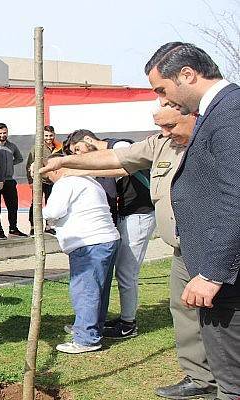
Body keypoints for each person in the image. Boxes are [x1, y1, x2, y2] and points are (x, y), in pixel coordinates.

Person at [40, 106, 216, 399]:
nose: (164, 133)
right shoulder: (158, 145)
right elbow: (118, 165)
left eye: (170, 125)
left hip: (195, 237)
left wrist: (66, 165)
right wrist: (67, 163)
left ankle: (125, 325)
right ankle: (199, 375)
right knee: (180, 308)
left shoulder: (203, 140)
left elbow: (118, 158)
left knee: (126, 276)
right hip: (173, 242)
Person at [145, 41, 240, 400]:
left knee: (233, 383)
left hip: (225, 278)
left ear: (187, 75)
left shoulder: (230, 112)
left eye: (162, 89)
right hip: (219, 273)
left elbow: (236, 196)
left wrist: (212, 273)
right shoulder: (219, 111)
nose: (162, 99)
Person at [63, 129, 156, 340]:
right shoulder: (109, 152)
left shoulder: (120, 146)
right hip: (127, 213)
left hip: (139, 214)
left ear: (88, 140)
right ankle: (124, 318)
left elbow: (124, 169)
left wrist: (79, 171)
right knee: (121, 272)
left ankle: (128, 324)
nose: (80, 156)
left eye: (78, 150)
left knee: (126, 272)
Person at [41, 153, 120, 354]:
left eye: (47, 174)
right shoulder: (89, 180)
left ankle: (86, 338)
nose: (47, 178)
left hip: (89, 243)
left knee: (85, 290)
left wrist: (44, 215)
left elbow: (52, 212)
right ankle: (90, 327)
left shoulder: (65, 183)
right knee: (98, 289)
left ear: (56, 168)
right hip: (104, 239)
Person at [0, 123, 27, 237]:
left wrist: (9, 165)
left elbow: (19, 158)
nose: (2, 135)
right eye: (0, 133)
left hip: (9, 181)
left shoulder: (12, 146)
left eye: (4, 133)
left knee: (13, 206)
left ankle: (13, 229)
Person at [26, 125, 59, 236]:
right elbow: (29, 165)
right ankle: (33, 227)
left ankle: (49, 226)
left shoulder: (59, 147)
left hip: (53, 181)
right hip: (39, 181)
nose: (49, 138)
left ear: (54, 135)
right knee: (36, 204)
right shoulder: (37, 148)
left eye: (50, 135)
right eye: (46, 135)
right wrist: (31, 181)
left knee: (52, 203)